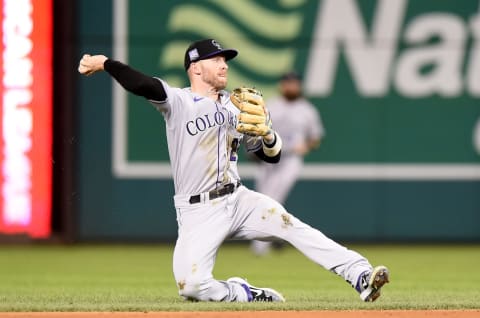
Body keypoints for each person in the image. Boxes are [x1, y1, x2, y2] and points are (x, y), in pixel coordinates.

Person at [78, 38, 389, 303]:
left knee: (291, 225)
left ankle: (359, 274)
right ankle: (242, 293)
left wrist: (268, 134)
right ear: (196, 68)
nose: (224, 64)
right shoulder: (178, 102)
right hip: (198, 211)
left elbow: (270, 157)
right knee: (191, 286)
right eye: (216, 60)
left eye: (225, 59)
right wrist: (107, 63)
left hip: (238, 199)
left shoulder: (237, 106)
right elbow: (142, 83)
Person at [251, 71, 325, 256]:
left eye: (294, 83)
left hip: (291, 159)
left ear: (298, 86)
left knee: (273, 198)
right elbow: (256, 130)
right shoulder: (271, 106)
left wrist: (306, 146)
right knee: (261, 198)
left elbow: (316, 137)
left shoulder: (307, 109)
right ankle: (272, 237)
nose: (291, 86)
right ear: (282, 85)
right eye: (287, 83)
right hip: (270, 158)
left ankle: (264, 243)